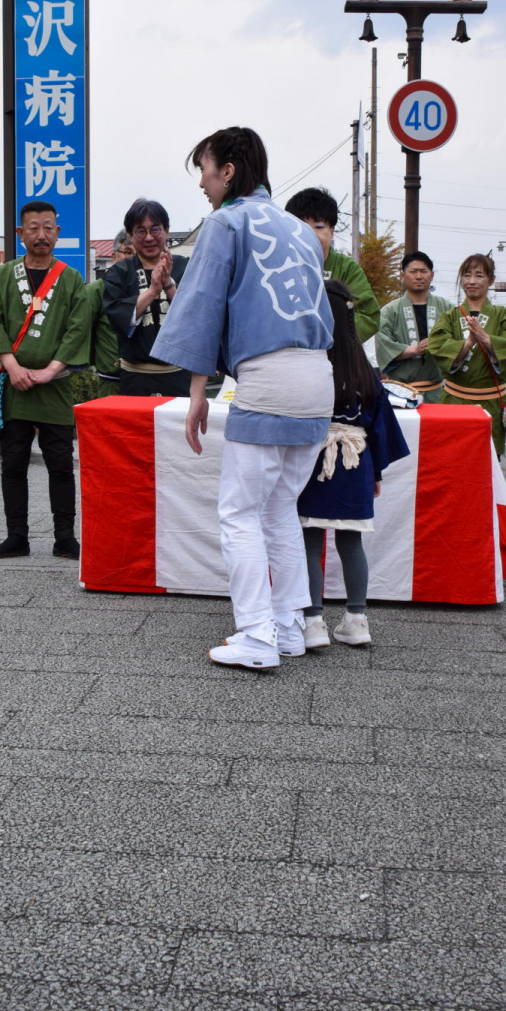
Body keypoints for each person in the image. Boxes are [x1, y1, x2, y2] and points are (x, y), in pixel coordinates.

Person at [153, 126, 335, 671]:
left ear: (227, 171)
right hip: (316, 376)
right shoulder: (302, 231)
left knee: (238, 511)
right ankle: (289, 627)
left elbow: (203, 306)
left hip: (270, 375)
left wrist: (197, 389)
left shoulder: (227, 221)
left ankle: (256, 634)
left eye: (205, 172)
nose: (204, 185)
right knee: (280, 509)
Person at [0, 200, 90, 560]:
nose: (41, 235)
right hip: (15, 385)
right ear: (21, 234)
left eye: (48, 227)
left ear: (57, 231)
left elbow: (77, 328)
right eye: (33, 228)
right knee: (13, 462)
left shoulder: (70, 279)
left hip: (54, 385)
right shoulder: (4, 276)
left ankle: (65, 537)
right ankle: (17, 537)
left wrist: (51, 369)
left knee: (60, 463)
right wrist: (13, 366)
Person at [298, 281, 409, 649]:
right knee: (351, 542)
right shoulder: (366, 371)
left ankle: (313, 623)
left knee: (309, 542)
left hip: (313, 461)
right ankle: (356, 620)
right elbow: (380, 427)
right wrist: (374, 474)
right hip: (355, 463)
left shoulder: (307, 361)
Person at [427, 253, 506, 456]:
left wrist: (487, 339)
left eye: (479, 275)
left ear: (490, 280)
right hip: (453, 402)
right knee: (450, 460)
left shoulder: (503, 315)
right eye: (467, 274)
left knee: (487, 464)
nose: (472, 281)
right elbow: (437, 346)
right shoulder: (450, 316)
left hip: (490, 404)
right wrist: (467, 344)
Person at [102, 199, 190, 396]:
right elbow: (118, 317)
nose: (149, 237)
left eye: (155, 229)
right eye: (141, 231)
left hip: (178, 375)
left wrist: (168, 285)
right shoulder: (119, 272)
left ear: (166, 231)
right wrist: (152, 291)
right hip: (135, 378)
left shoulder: (186, 267)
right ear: (131, 235)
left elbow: (194, 316)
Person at [284, 186, 379, 342]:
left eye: (319, 227)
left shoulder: (347, 268)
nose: (310, 235)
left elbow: (369, 316)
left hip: (335, 354)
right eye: (301, 228)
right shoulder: (280, 264)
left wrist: (330, 334)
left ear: (332, 231)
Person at [375, 251, 454, 400]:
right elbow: (383, 346)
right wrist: (414, 350)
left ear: (432, 275)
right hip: (400, 394)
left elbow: (457, 341)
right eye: (413, 271)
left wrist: (441, 346)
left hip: (437, 393)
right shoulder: (389, 311)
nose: (418, 276)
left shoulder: (447, 308)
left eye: (423, 271)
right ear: (402, 276)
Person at [86, 232, 134, 397]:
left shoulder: (148, 288)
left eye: (137, 254)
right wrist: (99, 360)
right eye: (127, 252)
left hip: (143, 377)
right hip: (110, 378)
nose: (132, 258)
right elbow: (85, 331)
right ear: (113, 256)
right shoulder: (97, 289)